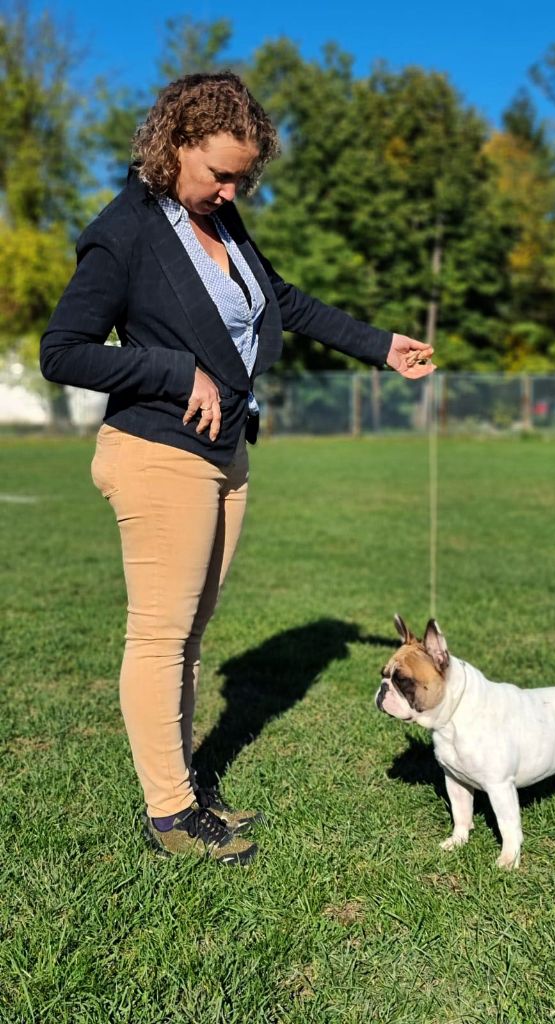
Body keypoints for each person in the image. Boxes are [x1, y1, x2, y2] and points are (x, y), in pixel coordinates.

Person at [40, 72, 434, 865]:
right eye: (218, 171)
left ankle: (181, 780)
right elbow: (63, 352)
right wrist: (173, 371)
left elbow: (280, 300)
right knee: (158, 635)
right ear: (173, 144)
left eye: (241, 177)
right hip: (157, 453)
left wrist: (379, 345)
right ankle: (170, 816)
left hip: (224, 454)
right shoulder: (123, 233)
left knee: (188, 636)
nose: (228, 189)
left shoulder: (219, 220)